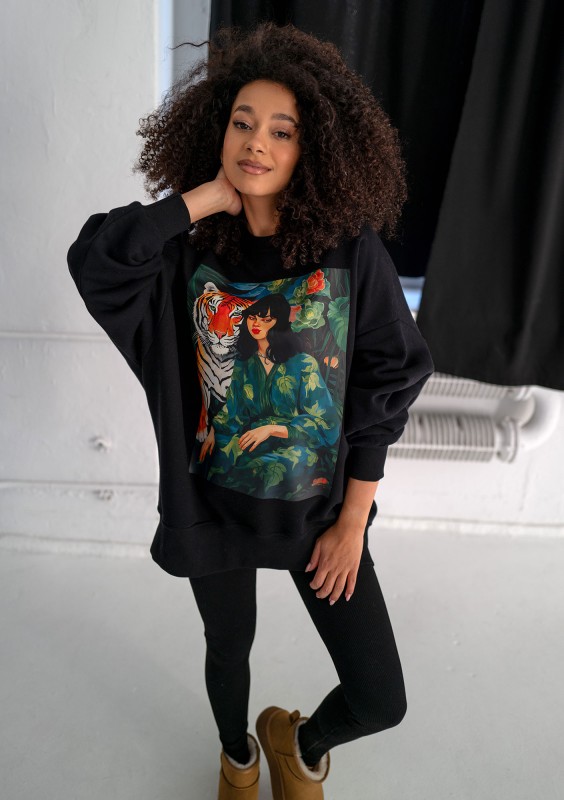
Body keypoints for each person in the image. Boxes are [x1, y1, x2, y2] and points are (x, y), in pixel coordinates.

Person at [67, 22, 434, 800]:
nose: (256, 142)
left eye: (281, 130)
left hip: (318, 515)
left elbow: (390, 375)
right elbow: (97, 260)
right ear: (218, 132)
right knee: (228, 648)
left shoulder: (349, 251)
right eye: (241, 122)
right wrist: (200, 200)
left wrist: (353, 521)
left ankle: (296, 743)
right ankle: (237, 755)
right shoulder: (185, 254)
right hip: (214, 512)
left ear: (313, 150)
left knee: (380, 698)